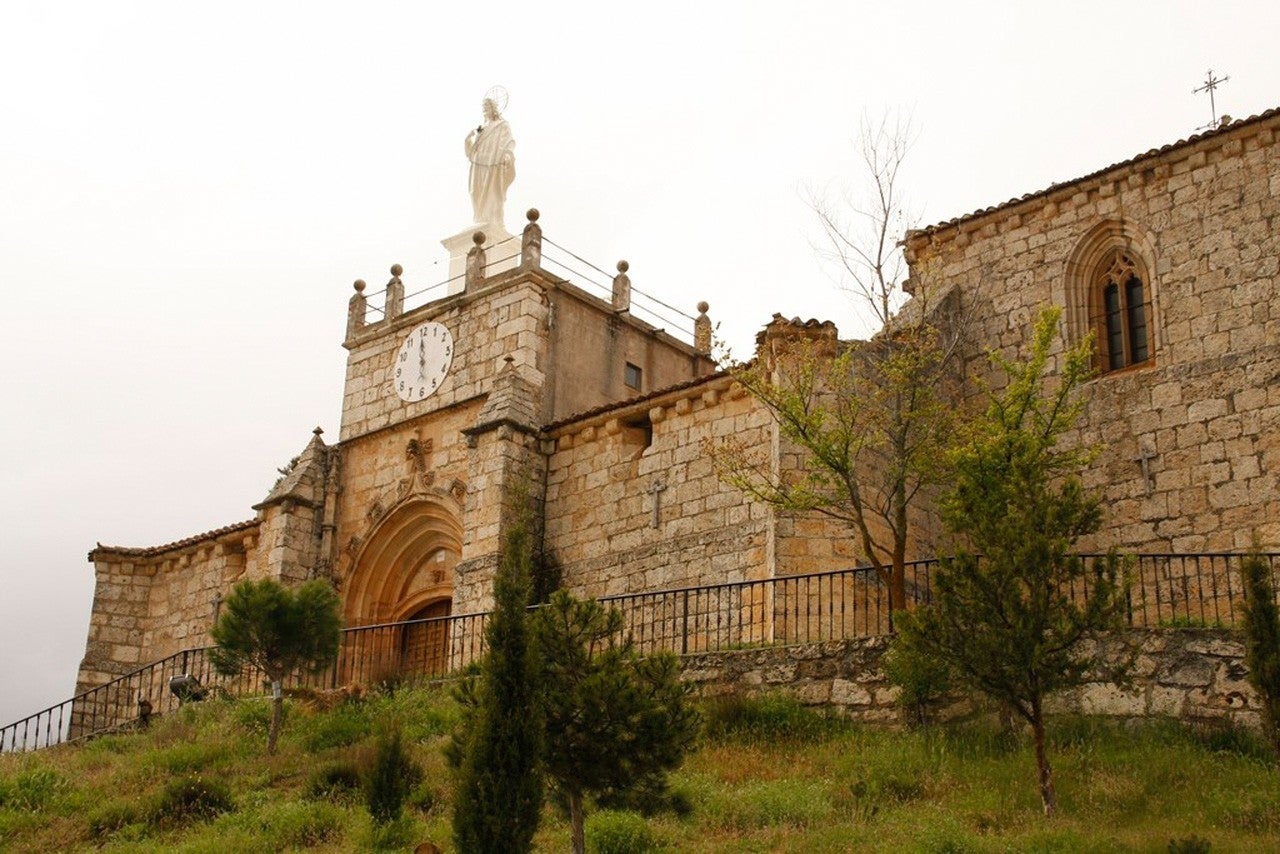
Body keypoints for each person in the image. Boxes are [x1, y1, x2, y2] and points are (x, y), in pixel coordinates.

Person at [464, 97, 516, 228]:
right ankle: (480, 217)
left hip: (494, 162)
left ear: (493, 108)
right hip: (479, 162)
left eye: (487, 106)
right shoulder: (482, 128)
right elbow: (472, 151)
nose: (484, 109)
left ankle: (494, 219)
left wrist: (507, 156)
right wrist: (468, 141)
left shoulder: (502, 124)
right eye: (483, 107)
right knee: (475, 190)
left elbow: (509, 142)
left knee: (492, 191)